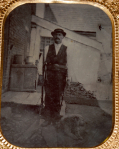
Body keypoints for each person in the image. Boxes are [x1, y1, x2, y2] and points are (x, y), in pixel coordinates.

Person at [41, 29, 69, 127]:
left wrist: (68, 78)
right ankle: (47, 119)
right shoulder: (47, 48)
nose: (57, 36)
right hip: (49, 76)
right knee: (48, 96)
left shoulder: (67, 49)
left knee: (58, 97)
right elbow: (42, 62)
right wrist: (41, 75)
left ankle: (56, 119)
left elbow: (69, 64)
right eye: (56, 35)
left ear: (62, 37)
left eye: (59, 35)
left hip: (61, 77)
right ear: (53, 36)